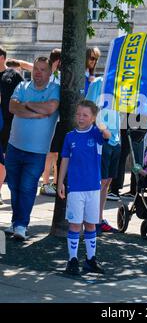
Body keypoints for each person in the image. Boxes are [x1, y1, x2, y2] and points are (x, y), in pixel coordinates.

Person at [4, 56, 60, 240]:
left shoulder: (54, 89)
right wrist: (34, 112)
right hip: (14, 146)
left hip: (36, 151)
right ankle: (16, 222)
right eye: (36, 68)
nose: (38, 72)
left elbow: (50, 108)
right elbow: (12, 107)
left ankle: (21, 225)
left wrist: (26, 104)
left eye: (43, 69)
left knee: (27, 187)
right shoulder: (22, 86)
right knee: (14, 187)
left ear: (50, 72)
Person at [57, 100, 111, 275]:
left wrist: (102, 126)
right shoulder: (70, 137)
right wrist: (60, 182)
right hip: (75, 189)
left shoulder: (95, 134)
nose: (80, 118)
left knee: (90, 225)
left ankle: (90, 259)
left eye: (85, 115)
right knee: (74, 225)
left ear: (93, 118)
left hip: (93, 189)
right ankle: (72, 260)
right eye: (78, 114)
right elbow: (64, 160)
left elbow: (107, 136)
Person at [86, 76, 120, 234]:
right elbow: (89, 109)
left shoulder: (123, 83)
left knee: (107, 182)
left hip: (116, 140)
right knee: (99, 181)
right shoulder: (98, 83)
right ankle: (91, 220)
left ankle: (98, 219)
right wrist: (101, 129)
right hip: (102, 139)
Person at [0, 47, 24, 205]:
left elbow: (23, 95)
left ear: (2, 57)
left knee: (5, 159)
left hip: (8, 123)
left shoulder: (13, 75)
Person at [39, 48, 62, 196]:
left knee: (57, 153)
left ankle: (55, 182)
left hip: (59, 118)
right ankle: (45, 182)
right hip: (49, 119)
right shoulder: (48, 76)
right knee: (50, 153)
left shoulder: (59, 75)